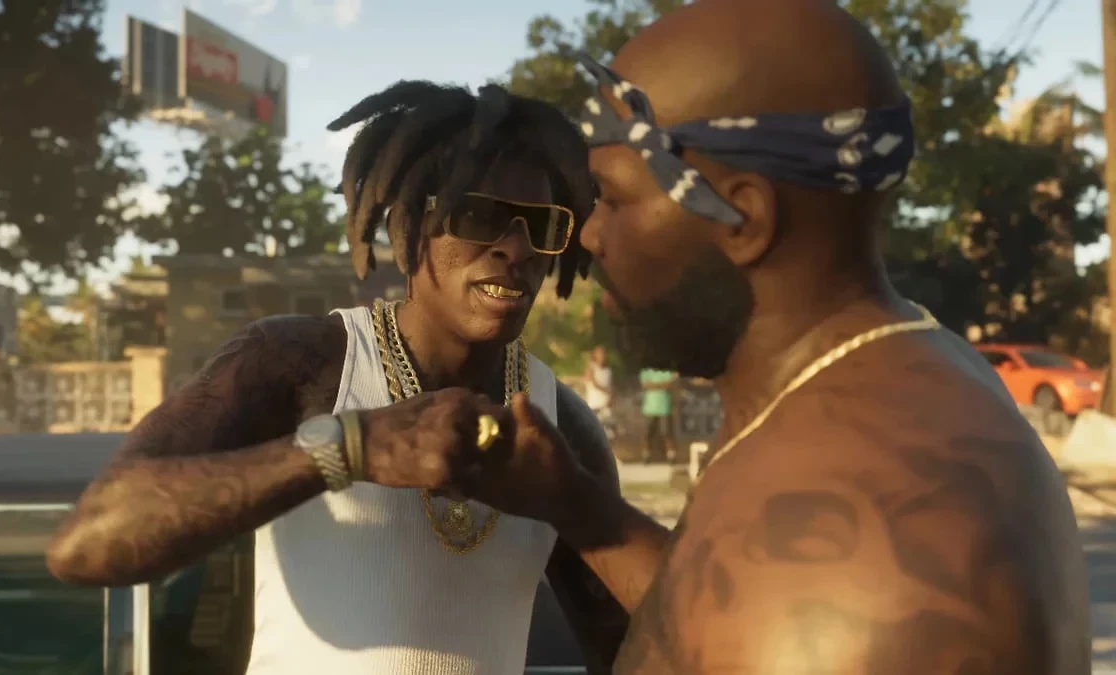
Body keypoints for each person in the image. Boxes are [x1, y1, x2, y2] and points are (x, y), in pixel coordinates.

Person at [420, 0, 1090, 673]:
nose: (590, 238)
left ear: (742, 219)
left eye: (615, 200)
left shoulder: (859, 580)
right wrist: (583, 511)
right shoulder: (899, 375)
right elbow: (715, 617)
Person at [45, 79, 629, 675]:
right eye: (481, 215)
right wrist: (349, 448)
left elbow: (623, 647)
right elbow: (86, 544)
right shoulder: (301, 362)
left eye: (542, 226)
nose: (516, 248)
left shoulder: (560, 424)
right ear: (409, 224)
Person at [637, 368, 677, 463]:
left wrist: (654, 385)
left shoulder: (667, 370)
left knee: (667, 433)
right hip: (649, 408)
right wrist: (660, 385)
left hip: (664, 407)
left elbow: (668, 384)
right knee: (647, 433)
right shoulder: (646, 371)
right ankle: (646, 455)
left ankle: (671, 455)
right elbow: (645, 385)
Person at [583, 345, 613, 429]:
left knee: (608, 431)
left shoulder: (608, 370)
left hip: (605, 406)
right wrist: (606, 391)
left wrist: (610, 397)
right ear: (595, 355)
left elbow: (611, 386)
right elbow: (592, 382)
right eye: (599, 353)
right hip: (594, 405)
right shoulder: (591, 368)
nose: (601, 356)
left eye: (603, 353)